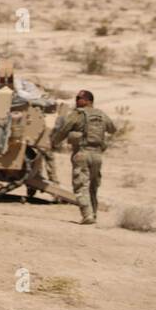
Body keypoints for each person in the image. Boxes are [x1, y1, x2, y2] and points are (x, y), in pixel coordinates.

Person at [51, 89, 116, 225]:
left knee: (81, 185)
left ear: (88, 101)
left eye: (79, 98)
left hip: (82, 153)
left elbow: (63, 130)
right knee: (93, 186)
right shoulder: (101, 114)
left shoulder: (77, 115)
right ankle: (93, 214)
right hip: (97, 154)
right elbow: (112, 129)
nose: (77, 101)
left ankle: (87, 215)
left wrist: (54, 141)